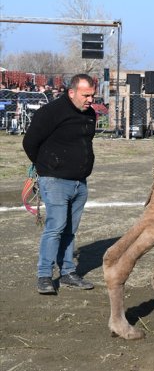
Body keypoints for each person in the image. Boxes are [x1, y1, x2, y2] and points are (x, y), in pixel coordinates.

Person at [22, 74, 97, 295]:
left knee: (70, 231)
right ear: (71, 92)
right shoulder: (51, 112)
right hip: (54, 181)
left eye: (92, 95)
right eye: (86, 95)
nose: (90, 100)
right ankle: (44, 275)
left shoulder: (90, 114)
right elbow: (30, 142)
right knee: (55, 227)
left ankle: (67, 272)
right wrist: (46, 167)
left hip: (79, 183)